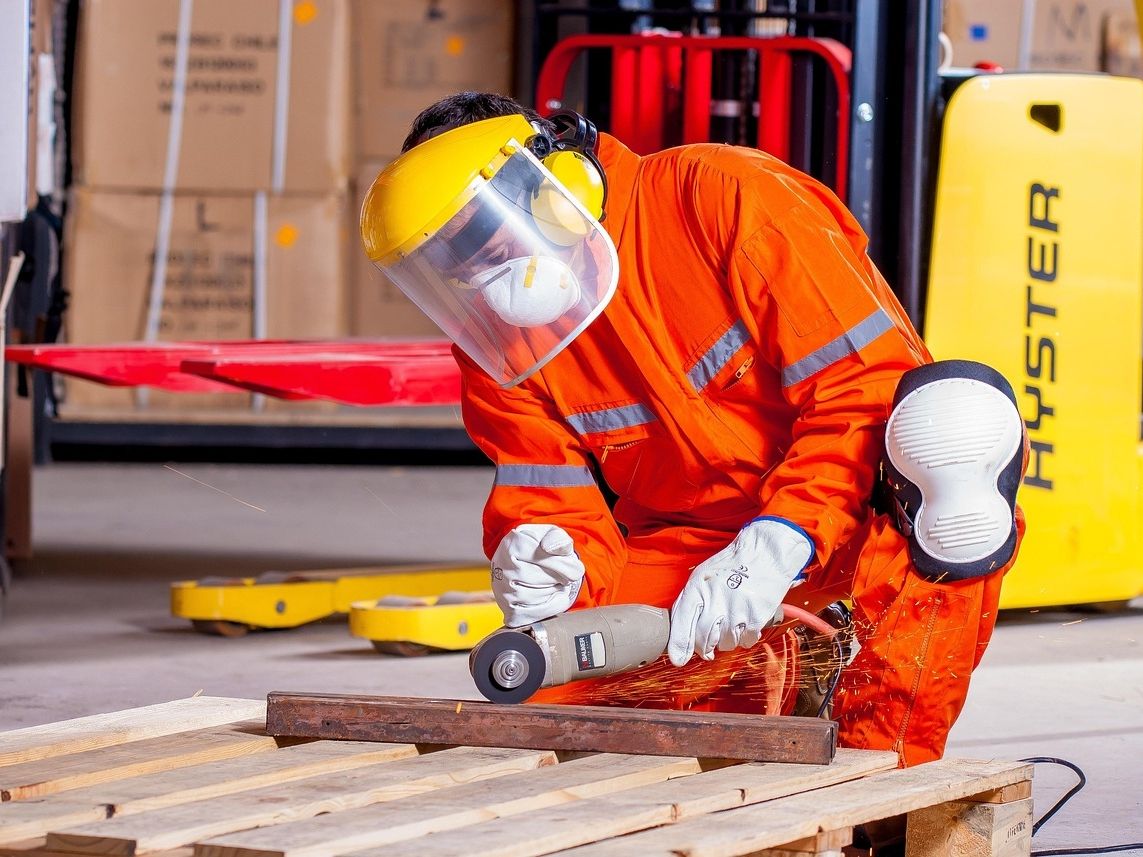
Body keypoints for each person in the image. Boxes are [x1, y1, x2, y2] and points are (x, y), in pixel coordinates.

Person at [360, 91, 1028, 768]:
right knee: (550, 691)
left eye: (480, 234)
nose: (476, 272)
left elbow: (863, 391)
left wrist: (782, 537)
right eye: (449, 259)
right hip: (696, 545)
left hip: (854, 507)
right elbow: (547, 494)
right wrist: (546, 561)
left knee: (954, 444)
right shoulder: (500, 344)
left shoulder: (724, 196)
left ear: (554, 182)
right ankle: (793, 662)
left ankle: (878, 773)